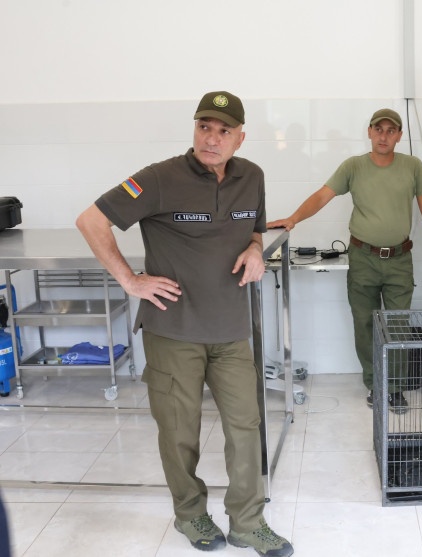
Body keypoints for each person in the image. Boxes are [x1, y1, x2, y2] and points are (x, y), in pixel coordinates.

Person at [76, 91, 293, 556]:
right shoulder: (159, 178)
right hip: (173, 332)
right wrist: (130, 280)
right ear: (194, 128)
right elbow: (91, 220)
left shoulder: (252, 176)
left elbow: (254, 228)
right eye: (204, 127)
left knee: (246, 426)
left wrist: (256, 249)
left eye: (224, 131)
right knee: (179, 432)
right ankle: (191, 514)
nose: (212, 139)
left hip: (231, 329)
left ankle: (248, 523)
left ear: (240, 138)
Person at [267, 108, 422, 413]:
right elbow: (322, 196)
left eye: (391, 130)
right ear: (370, 132)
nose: (384, 136)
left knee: (397, 325)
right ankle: (375, 384)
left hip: (399, 259)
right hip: (363, 258)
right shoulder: (354, 166)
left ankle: (395, 388)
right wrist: (294, 218)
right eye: (378, 129)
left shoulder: (413, 167)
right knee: (364, 323)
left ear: (399, 136)